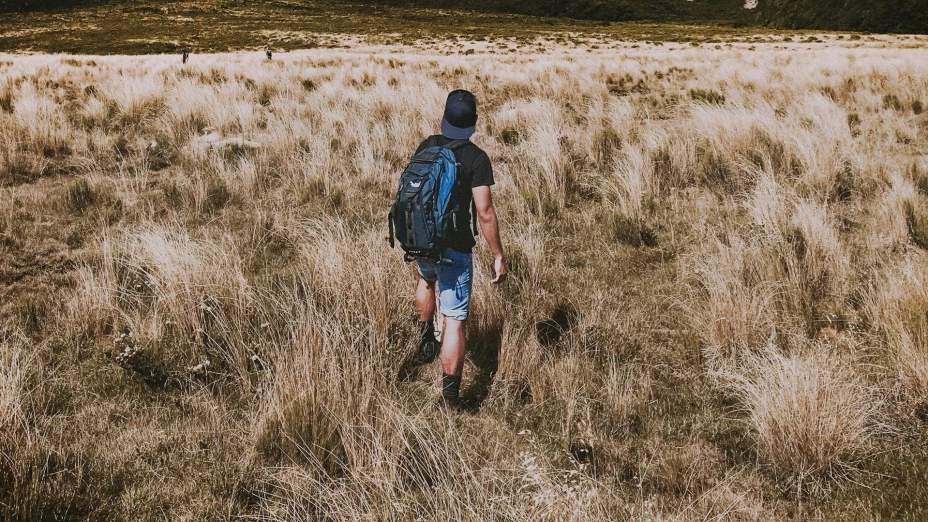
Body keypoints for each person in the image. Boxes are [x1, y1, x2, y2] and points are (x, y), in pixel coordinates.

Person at [409, 89, 507, 409]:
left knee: (426, 280)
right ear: (474, 123)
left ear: (444, 117)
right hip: (456, 245)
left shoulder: (427, 145)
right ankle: (450, 400)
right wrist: (498, 255)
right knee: (454, 319)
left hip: (422, 238)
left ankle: (426, 340)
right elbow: (485, 212)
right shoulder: (477, 159)